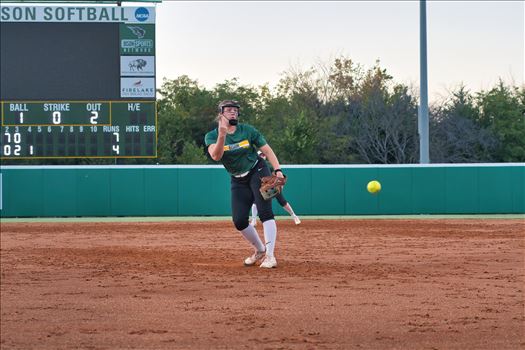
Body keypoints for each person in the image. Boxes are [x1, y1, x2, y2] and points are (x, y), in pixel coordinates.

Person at [205, 100, 285, 269]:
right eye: (228, 110)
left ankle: (270, 256)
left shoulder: (247, 131)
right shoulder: (211, 135)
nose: (233, 112)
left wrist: (277, 170)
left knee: (265, 212)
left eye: (235, 110)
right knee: (239, 220)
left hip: (257, 170)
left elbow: (267, 150)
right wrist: (222, 135)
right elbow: (216, 156)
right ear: (221, 114)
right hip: (238, 178)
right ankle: (260, 250)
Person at [250, 151, 301, 226]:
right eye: (261, 155)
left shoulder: (269, 166)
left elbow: (279, 176)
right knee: (255, 201)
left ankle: (294, 216)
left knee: (282, 201)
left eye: (264, 155)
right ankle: (254, 220)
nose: (263, 156)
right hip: (262, 187)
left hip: (273, 186)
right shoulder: (254, 167)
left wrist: (280, 186)